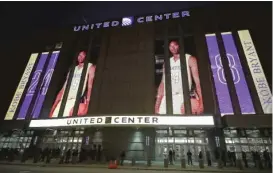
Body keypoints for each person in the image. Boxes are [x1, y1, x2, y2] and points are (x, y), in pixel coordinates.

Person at [155, 41, 204, 115]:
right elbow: (162, 83)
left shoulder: (190, 59)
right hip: (167, 98)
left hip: (183, 98)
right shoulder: (167, 63)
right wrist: (157, 103)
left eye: (175, 45)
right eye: (170, 46)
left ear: (179, 45)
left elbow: (198, 82)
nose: (173, 48)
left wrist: (201, 102)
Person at [49, 51, 96, 118]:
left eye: (83, 55)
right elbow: (63, 89)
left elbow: (90, 87)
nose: (80, 57)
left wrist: (87, 105)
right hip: (63, 100)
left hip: (75, 100)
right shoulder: (73, 69)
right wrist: (54, 106)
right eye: (79, 55)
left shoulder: (90, 66)